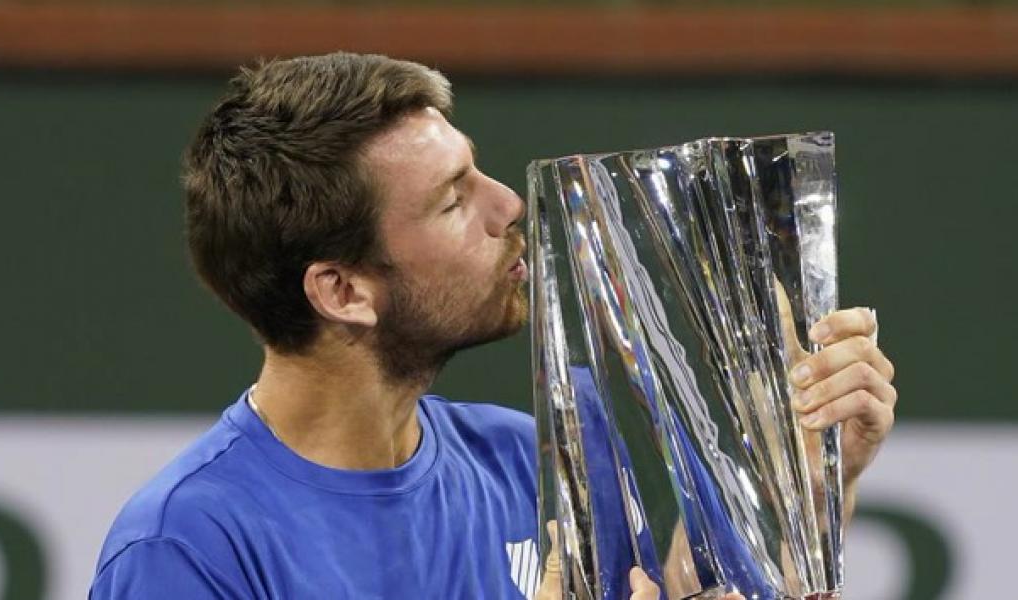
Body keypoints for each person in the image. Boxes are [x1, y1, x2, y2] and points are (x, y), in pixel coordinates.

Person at [89, 51, 897, 599]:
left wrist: (801, 480)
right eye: (452, 200)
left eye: (477, 169)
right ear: (342, 290)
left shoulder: (523, 459)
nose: (508, 205)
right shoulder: (186, 546)